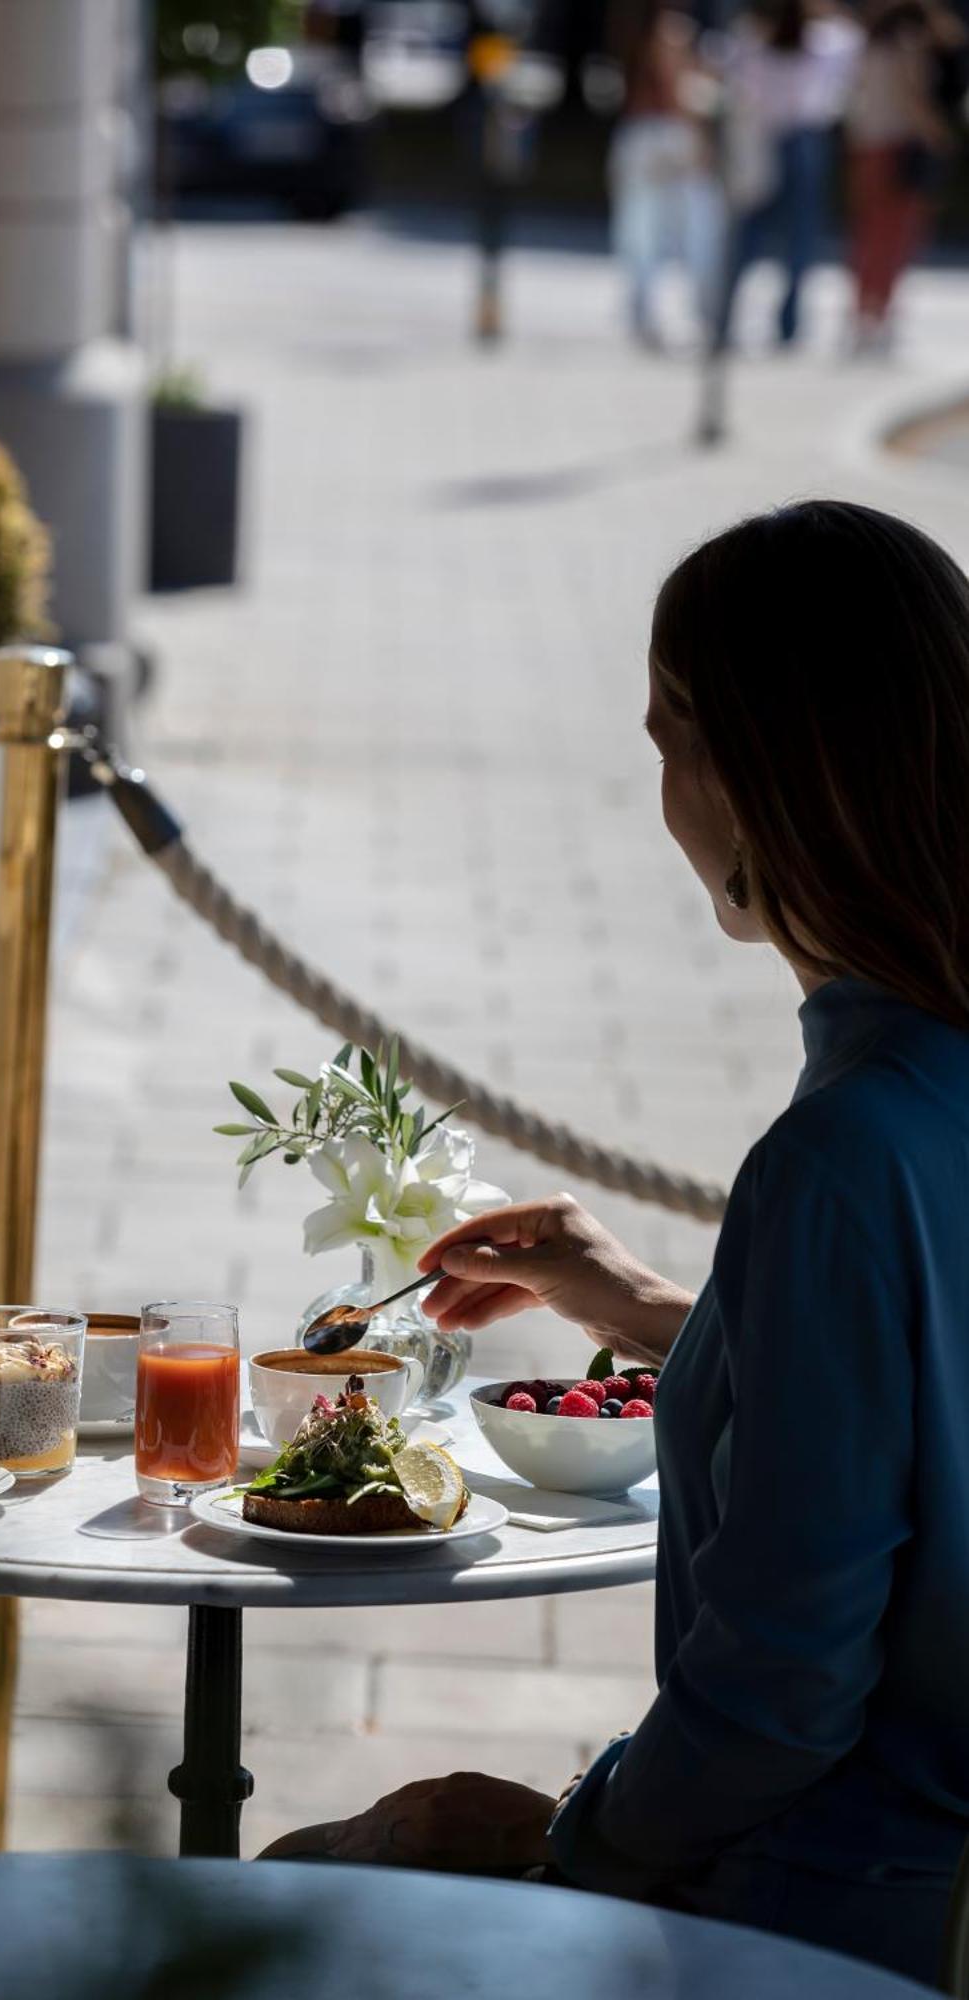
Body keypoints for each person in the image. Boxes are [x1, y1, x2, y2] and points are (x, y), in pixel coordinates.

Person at [262, 500, 969, 1988]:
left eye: (665, 739)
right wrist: (646, 1306)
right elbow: (902, 1396)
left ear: (759, 769)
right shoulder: (906, 1107)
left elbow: (779, 1698)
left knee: (299, 1886)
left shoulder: (837, 1159)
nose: (658, 792)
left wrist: (566, 1849)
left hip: (824, 1917)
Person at [714, 0, 863, 350]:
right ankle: (788, 324)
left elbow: (725, 68)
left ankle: (723, 316)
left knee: (749, 235)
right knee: (800, 239)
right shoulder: (825, 41)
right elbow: (853, 44)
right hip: (802, 143)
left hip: (764, 138)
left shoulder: (752, 41)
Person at [847, 0, 964, 353]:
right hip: (898, 148)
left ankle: (864, 317)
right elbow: (911, 95)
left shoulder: (869, 40)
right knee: (895, 238)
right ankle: (878, 317)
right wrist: (939, 135)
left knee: (870, 236)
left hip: (869, 145)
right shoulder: (907, 42)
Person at [608, 3, 723, 347]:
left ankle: (644, 316)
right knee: (697, 230)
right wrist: (699, 140)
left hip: (637, 136)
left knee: (640, 233)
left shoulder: (629, 25)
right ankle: (703, 315)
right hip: (667, 137)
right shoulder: (670, 31)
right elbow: (675, 91)